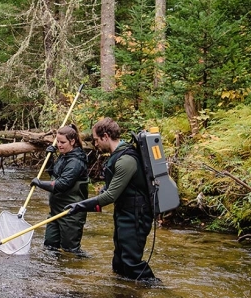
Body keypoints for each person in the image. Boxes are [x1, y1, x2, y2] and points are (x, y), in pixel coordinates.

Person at [65, 117, 158, 282]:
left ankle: (158, 291)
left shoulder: (126, 160)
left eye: (96, 140)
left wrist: (80, 206)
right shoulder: (116, 157)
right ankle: (123, 296)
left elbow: (110, 196)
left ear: (105, 136)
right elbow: (108, 191)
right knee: (119, 263)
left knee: (131, 263)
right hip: (124, 213)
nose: (95, 144)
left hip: (137, 216)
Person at [30, 124, 89, 253]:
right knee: (50, 247)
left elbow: (61, 185)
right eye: (58, 142)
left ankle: (76, 269)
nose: (59, 145)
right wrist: (50, 158)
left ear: (72, 141)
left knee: (70, 250)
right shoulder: (64, 156)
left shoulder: (76, 162)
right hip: (56, 211)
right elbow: (54, 175)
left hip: (70, 213)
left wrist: (39, 183)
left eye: (63, 142)